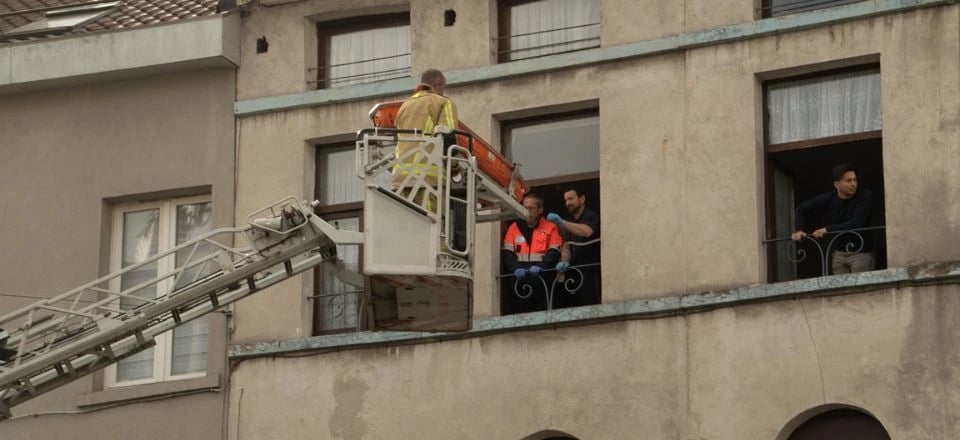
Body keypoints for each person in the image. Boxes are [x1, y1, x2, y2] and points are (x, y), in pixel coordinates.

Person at [391, 68, 458, 213]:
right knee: (431, 227)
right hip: (427, 178)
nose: (444, 91)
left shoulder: (404, 107)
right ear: (439, 84)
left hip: (400, 178)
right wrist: (455, 166)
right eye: (444, 87)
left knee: (408, 225)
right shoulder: (442, 102)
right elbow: (448, 136)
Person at [791, 163, 874, 274]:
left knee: (861, 288)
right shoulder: (829, 198)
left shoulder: (864, 196)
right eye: (848, 181)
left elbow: (856, 223)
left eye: (855, 180)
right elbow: (802, 208)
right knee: (840, 289)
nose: (853, 184)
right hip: (839, 254)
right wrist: (799, 229)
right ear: (837, 184)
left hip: (862, 253)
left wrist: (827, 229)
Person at [501, 193, 563, 313]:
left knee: (546, 315)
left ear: (540, 209)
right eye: (525, 207)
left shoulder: (551, 227)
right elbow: (507, 252)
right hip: (521, 281)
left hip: (543, 280)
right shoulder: (514, 227)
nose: (527, 211)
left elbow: (554, 251)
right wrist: (515, 269)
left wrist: (541, 267)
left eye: (531, 208)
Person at [546, 187, 601, 307]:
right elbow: (566, 245)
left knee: (594, 305)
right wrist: (564, 261)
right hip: (575, 273)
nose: (568, 203)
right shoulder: (569, 221)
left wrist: (562, 223)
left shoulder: (590, 215)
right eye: (565, 200)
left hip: (593, 272)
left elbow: (586, 231)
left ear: (582, 199)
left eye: (571, 199)